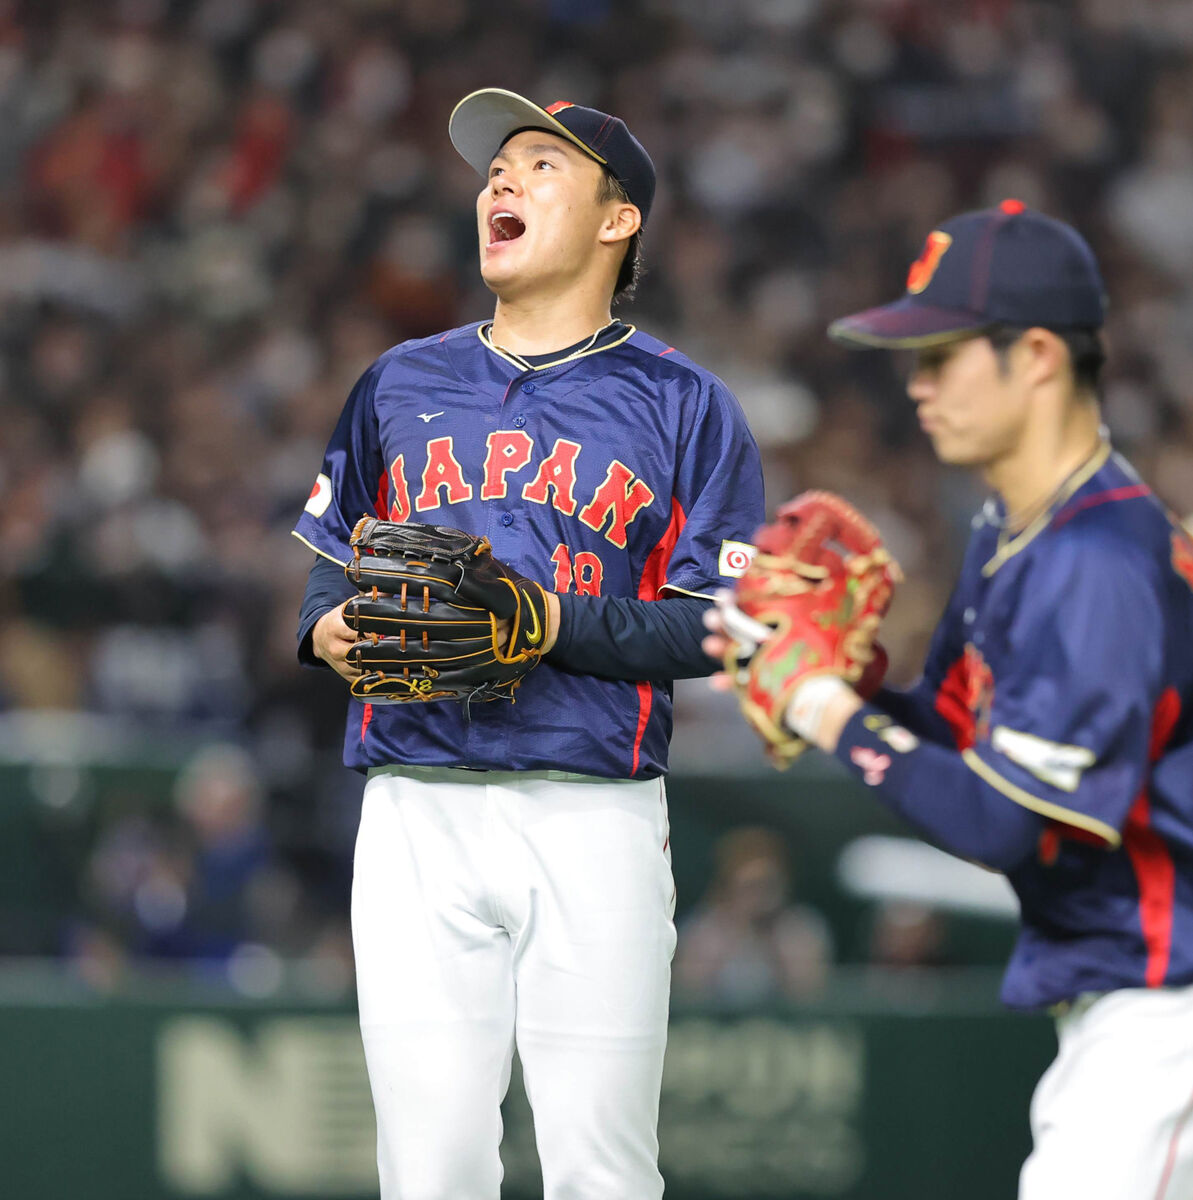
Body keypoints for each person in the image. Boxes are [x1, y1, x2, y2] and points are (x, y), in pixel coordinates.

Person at [292, 88, 764, 1200]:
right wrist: (326, 627)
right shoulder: (397, 381)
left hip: (590, 807)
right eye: (493, 168)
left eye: (540, 166)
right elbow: (329, 557)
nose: (498, 181)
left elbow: (719, 624)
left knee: (600, 1167)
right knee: (429, 1167)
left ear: (617, 220)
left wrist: (553, 620)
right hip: (416, 798)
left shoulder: (686, 405)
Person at [708, 200, 1193, 1199]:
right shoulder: (1013, 532)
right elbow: (961, 737)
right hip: (1129, 1010)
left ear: (1038, 358)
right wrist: (854, 683)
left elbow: (1000, 821)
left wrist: (819, 708)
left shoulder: (1092, 565)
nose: (917, 385)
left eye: (945, 354)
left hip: (1167, 1014)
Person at [674, 825, 833, 1007]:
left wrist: (769, 936)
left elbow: (808, 993)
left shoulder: (802, 929)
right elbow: (688, 993)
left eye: (767, 886)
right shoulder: (701, 931)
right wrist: (736, 928)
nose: (759, 897)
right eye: (750, 887)